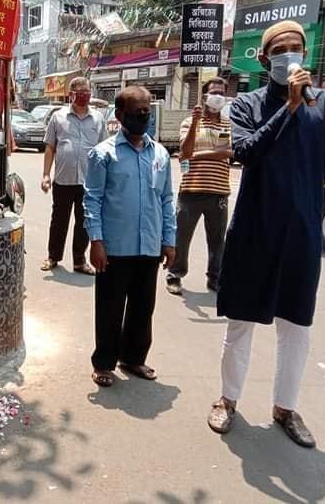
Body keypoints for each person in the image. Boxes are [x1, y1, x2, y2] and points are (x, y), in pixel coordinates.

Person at [207, 21, 325, 448]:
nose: (291, 55)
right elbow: (244, 151)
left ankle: (285, 407)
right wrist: (290, 108)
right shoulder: (247, 105)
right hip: (256, 229)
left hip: (301, 232)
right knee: (241, 320)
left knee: (296, 326)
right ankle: (228, 399)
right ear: (264, 59)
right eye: (281, 49)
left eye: (297, 47)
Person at [84, 86, 176, 387]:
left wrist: (169, 239)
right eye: (137, 112)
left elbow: (165, 199)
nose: (143, 117)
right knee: (110, 308)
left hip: (148, 245)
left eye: (147, 111)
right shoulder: (103, 154)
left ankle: (134, 358)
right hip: (114, 247)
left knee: (142, 307)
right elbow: (92, 199)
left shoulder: (160, 153)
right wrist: (96, 241)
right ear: (120, 115)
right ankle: (104, 363)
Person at [166, 77, 232, 295]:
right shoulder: (188, 122)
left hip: (219, 192)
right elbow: (185, 152)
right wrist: (195, 123)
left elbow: (226, 153)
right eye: (214, 92)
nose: (218, 97)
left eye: (222, 93)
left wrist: (198, 155)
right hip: (191, 190)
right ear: (204, 96)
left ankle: (215, 277)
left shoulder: (226, 124)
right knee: (182, 237)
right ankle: (175, 274)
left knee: (217, 240)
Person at [41, 76, 107, 275]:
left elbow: (104, 150)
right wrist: (45, 174)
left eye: (87, 92)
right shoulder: (58, 117)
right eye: (80, 92)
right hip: (63, 179)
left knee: (84, 222)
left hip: (89, 181)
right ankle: (53, 256)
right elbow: (50, 147)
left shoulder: (98, 118)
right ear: (71, 95)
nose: (85, 95)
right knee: (59, 220)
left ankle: (79, 260)